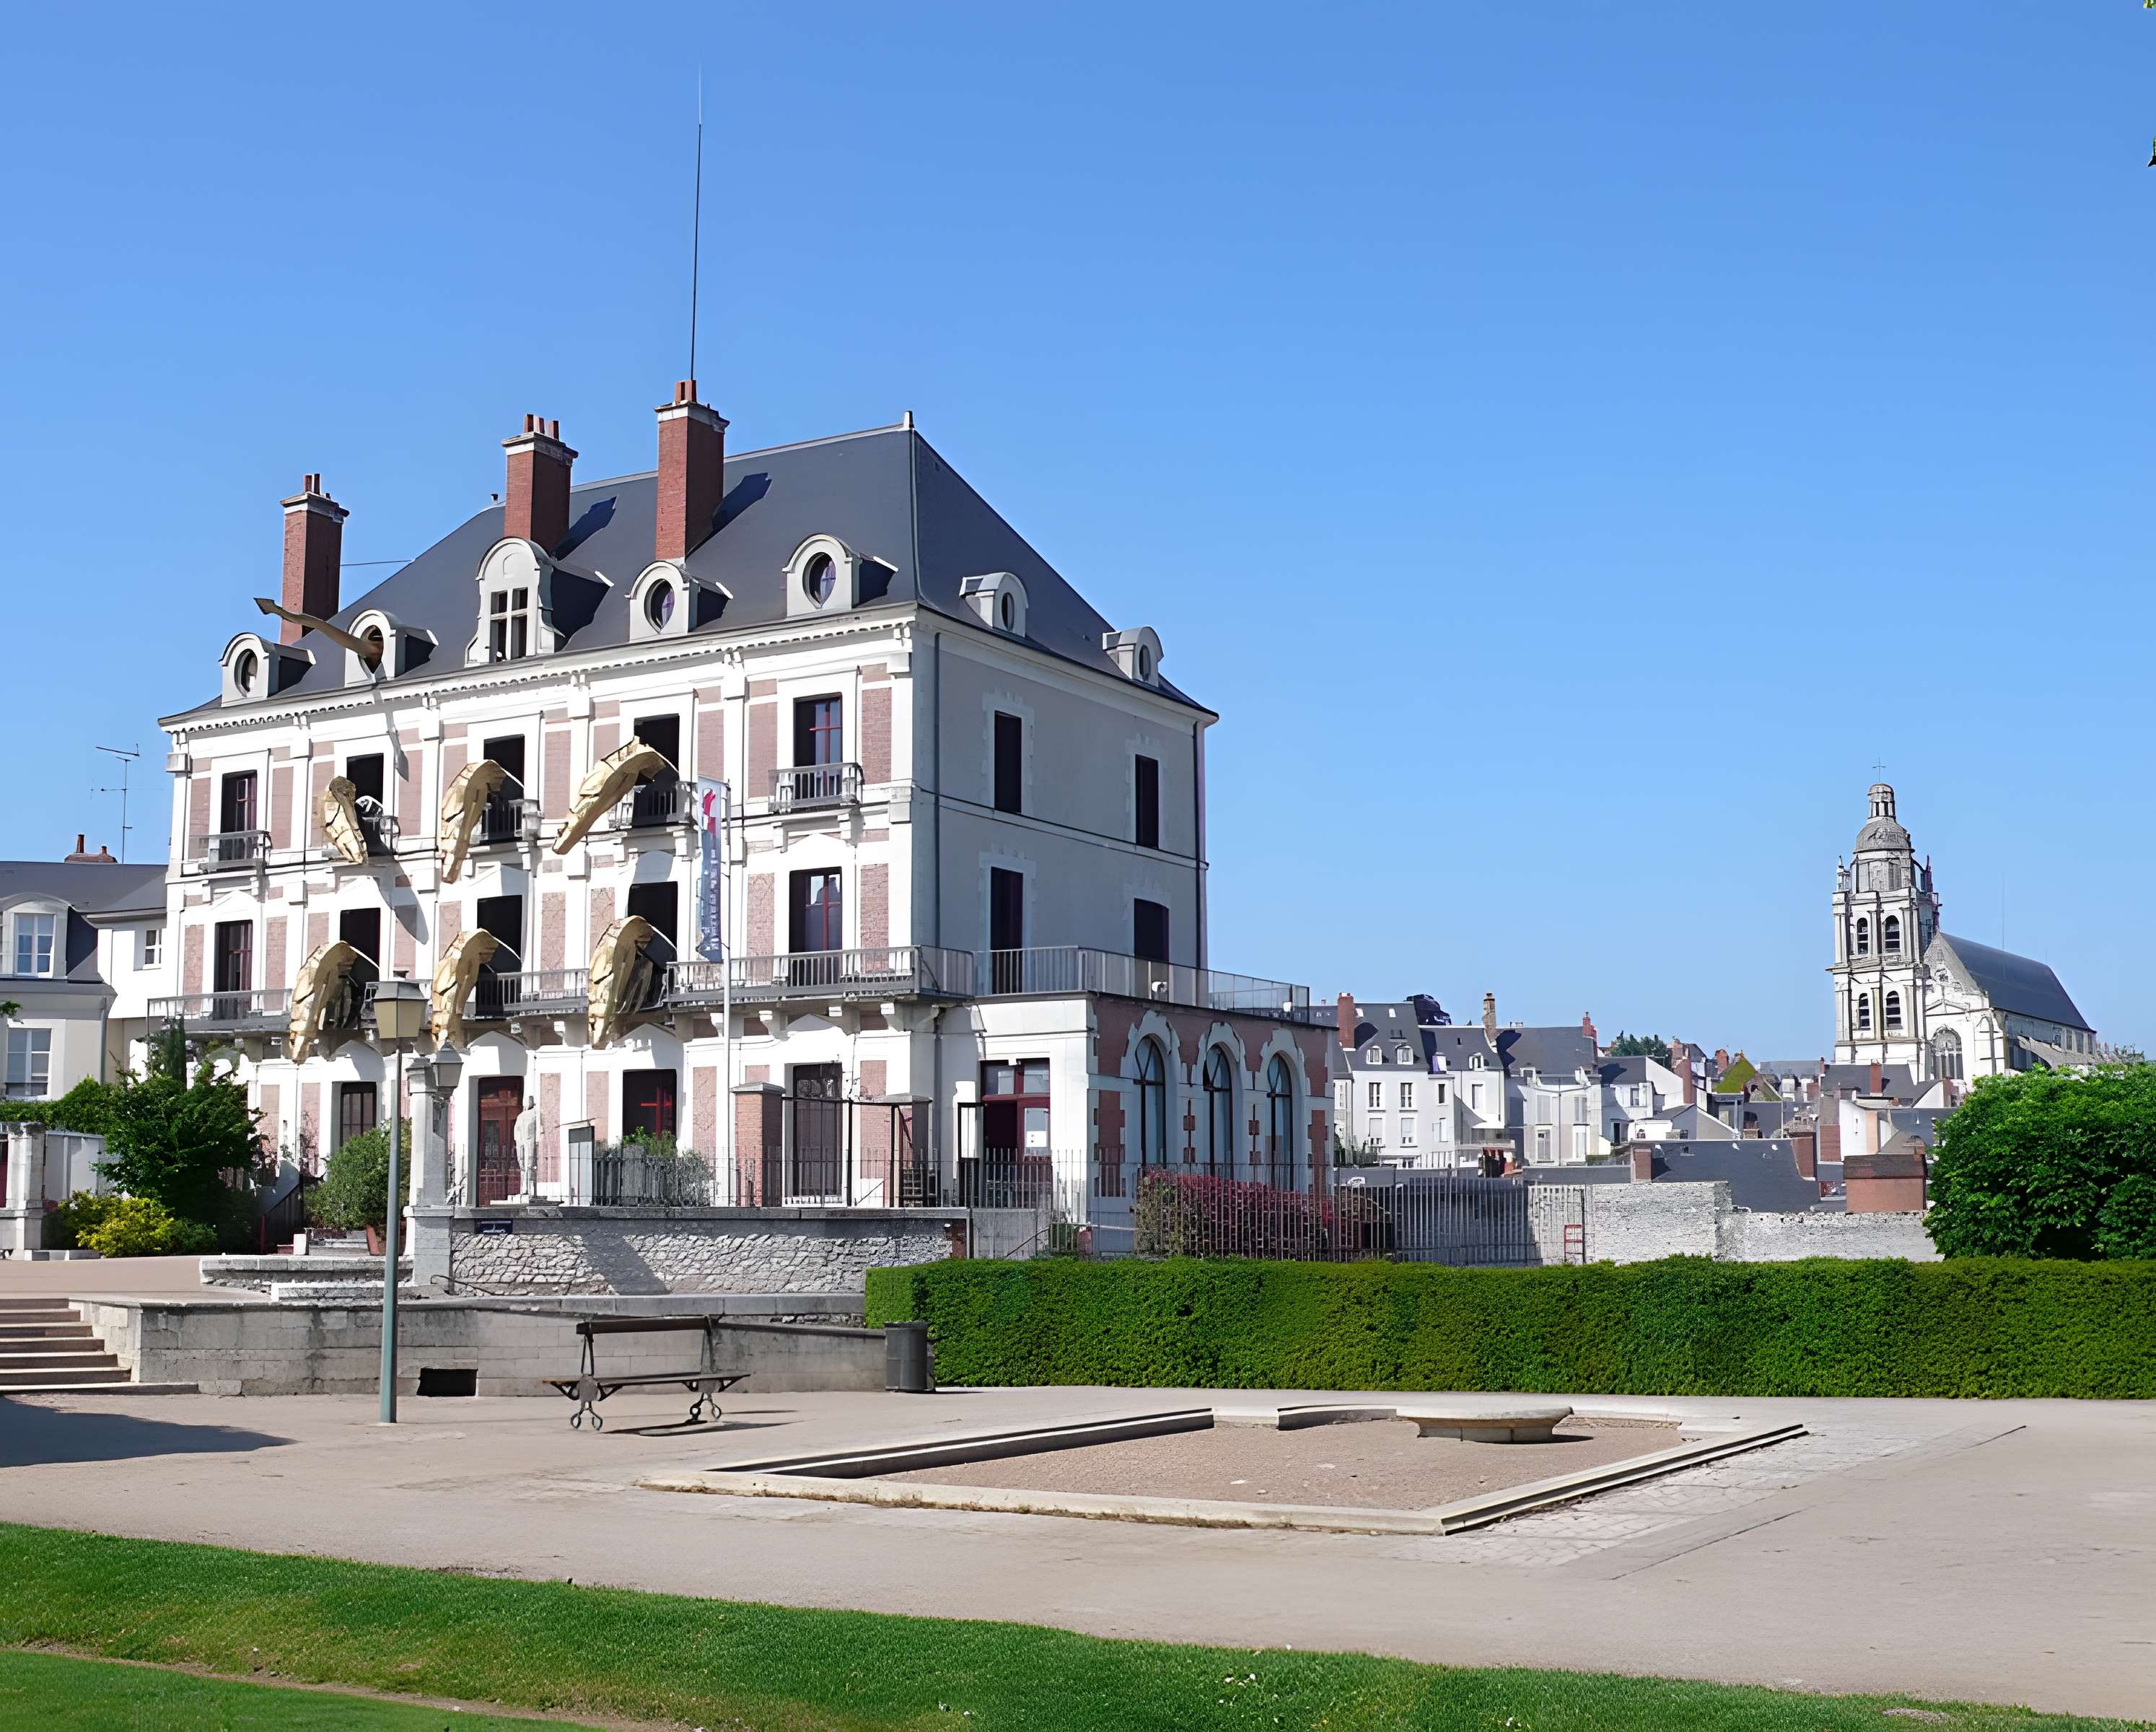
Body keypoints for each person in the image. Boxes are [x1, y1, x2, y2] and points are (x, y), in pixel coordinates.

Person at [512, 1095, 542, 1200]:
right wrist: (519, 1142)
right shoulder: (521, 1116)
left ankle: (531, 1190)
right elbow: (517, 1130)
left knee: (530, 1165)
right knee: (523, 1166)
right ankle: (524, 1189)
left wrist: (537, 1140)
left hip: (531, 1143)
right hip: (522, 1143)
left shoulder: (536, 1114)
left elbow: (539, 1129)